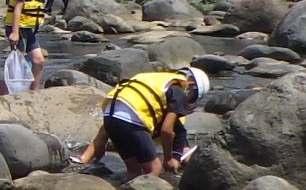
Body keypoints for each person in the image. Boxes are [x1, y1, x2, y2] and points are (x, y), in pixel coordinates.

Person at [75, 67, 209, 179]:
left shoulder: (155, 80)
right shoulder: (178, 91)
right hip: (132, 119)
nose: (186, 105)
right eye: (191, 99)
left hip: (110, 116)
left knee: (134, 171)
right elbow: (166, 131)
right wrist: (168, 159)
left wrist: (85, 158)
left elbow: (104, 133)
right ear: (191, 86)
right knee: (154, 168)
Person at [7, 0, 56, 90]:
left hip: (28, 29)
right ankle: (4, 96)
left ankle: (34, 93)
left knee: (39, 61)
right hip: (19, 28)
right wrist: (15, 32)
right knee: (17, 67)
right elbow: (18, 8)